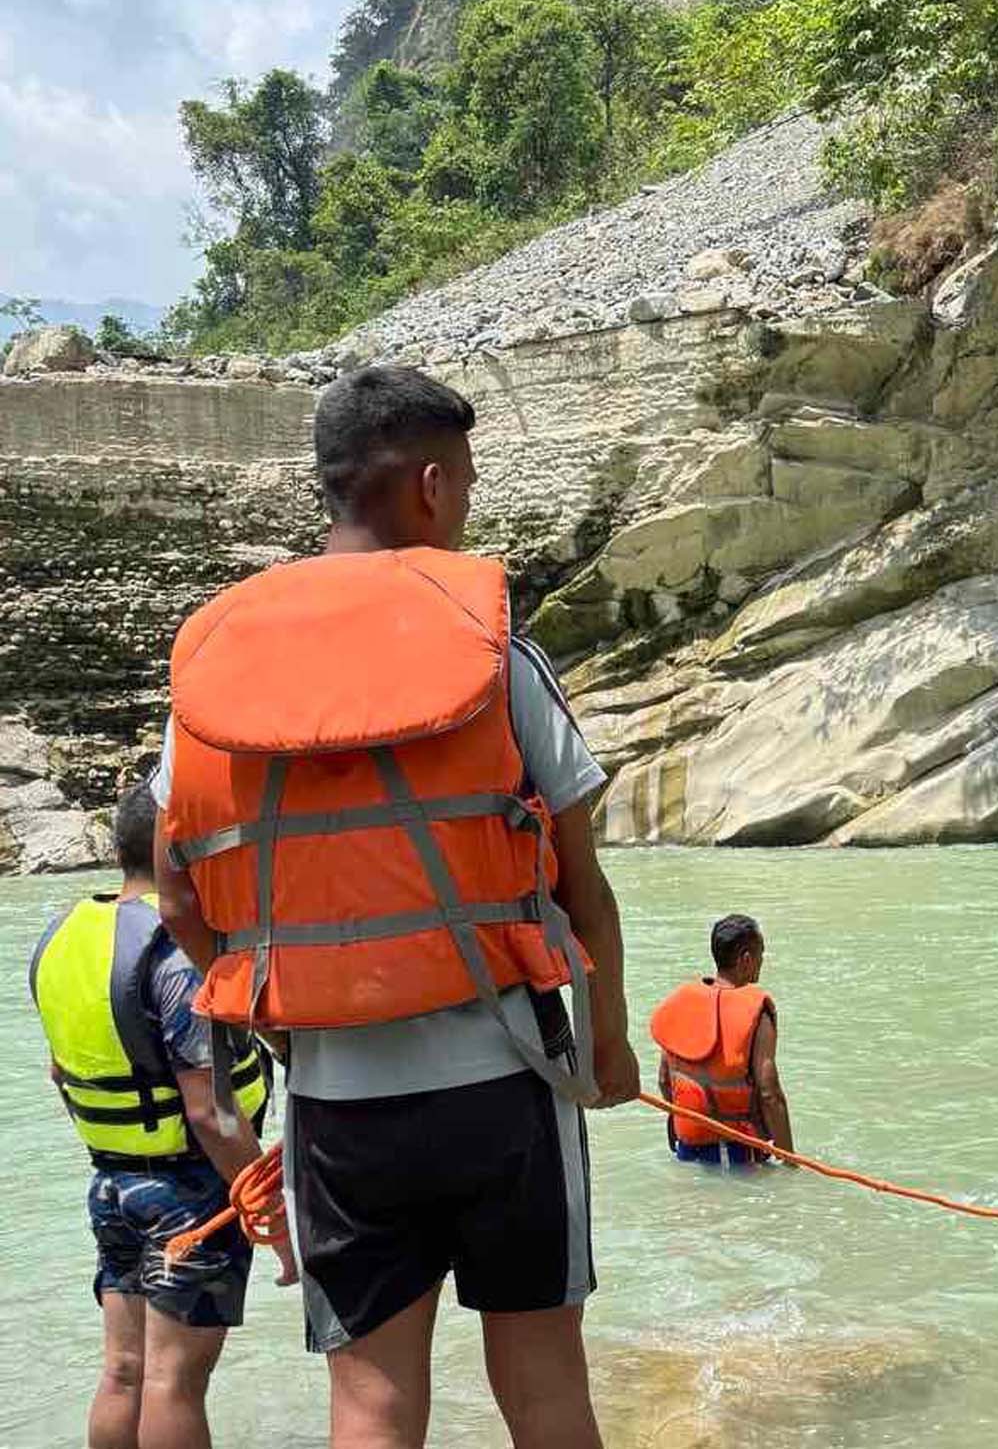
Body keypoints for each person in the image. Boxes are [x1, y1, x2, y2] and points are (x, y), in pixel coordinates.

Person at [150, 365, 641, 1449]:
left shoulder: (214, 688)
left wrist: (271, 1007)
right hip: (504, 1083)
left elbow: (177, 885)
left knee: (371, 1406)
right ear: (428, 485)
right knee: (548, 1391)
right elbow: (579, 882)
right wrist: (608, 1046)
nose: (463, 505)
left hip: (336, 1100)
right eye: (462, 483)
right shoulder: (498, 658)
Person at [30, 783, 290, 1449]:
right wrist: (274, 1218)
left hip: (112, 1184)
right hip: (190, 1192)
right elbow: (209, 1112)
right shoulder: (172, 951)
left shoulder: (60, 938)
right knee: (174, 1379)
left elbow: (62, 1074)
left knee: (123, 1369)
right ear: (179, 848)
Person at [650, 915, 793, 1166]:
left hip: (686, 1146)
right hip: (732, 1154)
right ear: (746, 960)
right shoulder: (757, 1011)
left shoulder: (681, 1003)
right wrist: (791, 1161)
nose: (762, 962)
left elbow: (664, 1079)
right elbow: (770, 1094)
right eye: (761, 955)